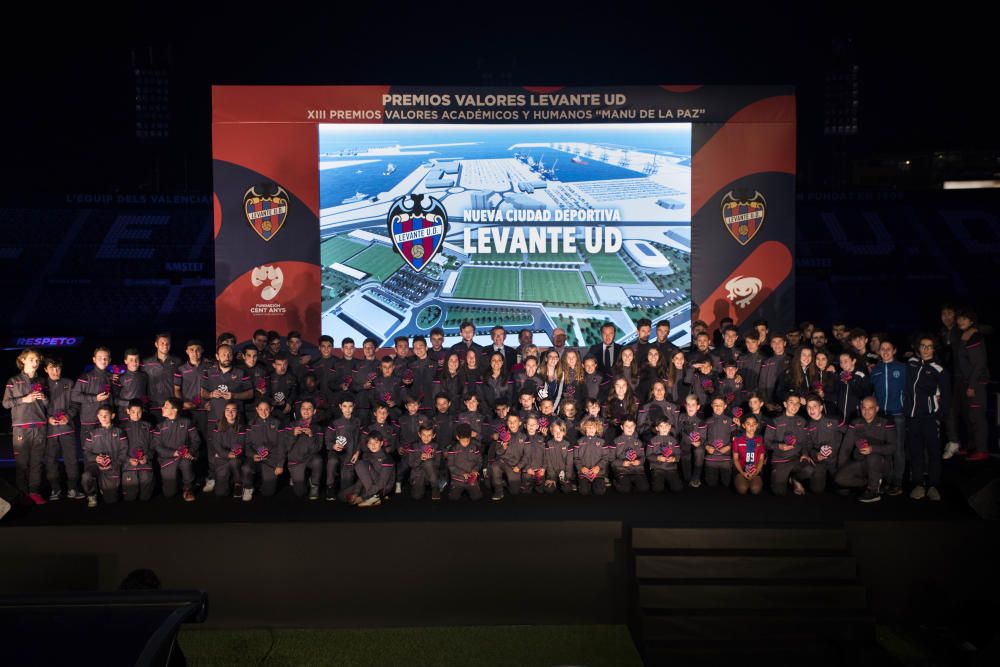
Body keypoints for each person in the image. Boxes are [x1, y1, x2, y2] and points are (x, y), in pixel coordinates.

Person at [4, 348, 50, 504]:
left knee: (37, 462)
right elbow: (5, 403)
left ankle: (34, 492)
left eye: (37, 360)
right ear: (23, 360)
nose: (35, 363)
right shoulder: (13, 381)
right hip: (21, 428)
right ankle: (22, 494)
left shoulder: (42, 381)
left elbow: (47, 404)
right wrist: (24, 399)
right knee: (22, 463)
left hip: (40, 427)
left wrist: (43, 398)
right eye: (32, 359)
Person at [905, 337, 950, 500]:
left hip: (930, 418)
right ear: (918, 347)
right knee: (915, 452)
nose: (925, 349)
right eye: (923, 346)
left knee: (933, 453)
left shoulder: (939, 369)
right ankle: (918, 484)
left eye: (929, 347)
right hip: (913, 417)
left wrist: (939, 416)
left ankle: (933, 486)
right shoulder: (911, 363)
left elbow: (946, 396)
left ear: (934, 350)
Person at [835, 397, 897, 502]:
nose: (866, 411)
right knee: (839, 479)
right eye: (864, 408)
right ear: (860, 408)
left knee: (873, 456)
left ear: (877, 409)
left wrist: (872, 448)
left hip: (881, 464)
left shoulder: (886, 422)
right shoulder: (855, 422)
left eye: (870, 408)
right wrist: (841, 467)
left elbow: (893, 447)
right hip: (862, 463)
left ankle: (873, 491)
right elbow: (846, 447)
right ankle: (874, 482)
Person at [870, 339, 908, 495]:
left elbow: (909, 391)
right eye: (882, 349)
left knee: (898, 449)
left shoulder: (902, 368)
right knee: (885, 449)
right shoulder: (876, 369)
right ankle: (887, 479)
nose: (885, 351)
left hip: (897, 413)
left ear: (894, 351)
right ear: (879, 352)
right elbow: (872, 391)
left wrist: (905, 407)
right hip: (881, 415)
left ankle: (897, 482)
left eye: (888, 349)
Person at [42, 357, 83, 500]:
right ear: (46, 369)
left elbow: (76, 405)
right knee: (50, 460)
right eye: (52, 368)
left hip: (67, 428)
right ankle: (55, 489)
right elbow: (37, 408)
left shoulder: (69, 383)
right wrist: (48, 419)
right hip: (49, 430)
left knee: (71, 460)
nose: (55, 371)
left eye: (58, 368)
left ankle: (73, 488)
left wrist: (68, 416)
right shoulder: (42, 385)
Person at [951, 310, 989, 461]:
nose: (961, 321)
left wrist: (972, 385)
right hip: (967, 381)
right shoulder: (964, 335)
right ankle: (972, 447)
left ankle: (982, 450)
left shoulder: (974, 336)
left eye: (964, 318)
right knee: (970, 417)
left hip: (977, 383)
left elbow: (979, 364)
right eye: (959, 318)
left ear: (971, 321)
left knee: (978, 418)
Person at [765, 393, 811, 496]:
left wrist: (804, 454)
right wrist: (779, 446)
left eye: (797, 403)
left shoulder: (802, 421)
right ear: (785, 404)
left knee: (810, 469)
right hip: (780, 460)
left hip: (795, 458)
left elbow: (804, 442)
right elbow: (766, 443)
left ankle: (794, 478)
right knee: (779, 492)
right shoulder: (775, 421)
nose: (794, 406)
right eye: (791, 402)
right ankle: (783, 477)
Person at [81, 405, 127, 508]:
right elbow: (86, 451)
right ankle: (92, 494)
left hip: (112, 467)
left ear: (113, 416)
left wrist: (114, 464)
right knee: (86, 476)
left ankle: (103, 487)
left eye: (106, 415)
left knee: (111, 500)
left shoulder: (119, 432)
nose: (104, 417)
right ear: (97, 416)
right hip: (95, 466)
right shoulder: (92, 433)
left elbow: (124, 451)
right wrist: (95, 458)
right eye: (101, 415)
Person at [241, 398, 286, 501]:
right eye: (260, 409)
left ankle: (264, 479)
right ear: (256, 409)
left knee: (268, 493)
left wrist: (280, 465)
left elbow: (281, 446)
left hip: (270, 459)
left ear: (271, 409)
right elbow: (247, 445)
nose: (264, 412)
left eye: (266, 409)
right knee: (246, 468)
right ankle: (248, 487)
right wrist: (252, 455)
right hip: (256, 458)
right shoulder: (251, 424)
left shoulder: (278, 423)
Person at [803, 394, 843, 494]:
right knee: (816, 490)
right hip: (820, 461)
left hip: (836, 460)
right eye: (809, 407)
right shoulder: (807, 426)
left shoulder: (834, 420)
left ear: (821, 408)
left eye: (814, 406)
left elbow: (848, 435)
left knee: (843, 489)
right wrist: (816, 455)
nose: (811, 410)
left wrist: (843, 455)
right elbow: (808, 446)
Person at [285, 398, 324, 500]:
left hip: (309, 459)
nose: (306, 411)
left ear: (314, 411)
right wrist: (293, 435)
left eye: (309, 408)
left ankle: (315, 485)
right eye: (303, 408)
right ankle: (299, 476)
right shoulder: (292, 425)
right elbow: (286, 447)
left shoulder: (318, 428)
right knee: (300, 492)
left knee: (318, 460)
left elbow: (317, 449)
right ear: (300, 410)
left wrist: (311, 435)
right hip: (296, 460)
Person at [325, 394, 361, 500]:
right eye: (345, 406)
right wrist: (333, 446)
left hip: (350, 454)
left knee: (345, 493)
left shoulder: (358, 422)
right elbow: (327, 440)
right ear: (340, 406)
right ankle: (330, 486)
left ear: (353, 407)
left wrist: (357, 452)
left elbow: (360, 439)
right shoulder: (334, 423)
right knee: (332, 462)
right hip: (335, 453)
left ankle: (343, 483)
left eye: (350, 406)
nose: (347, 409)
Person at [72, 346, 113, 438]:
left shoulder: (110, 377)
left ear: (109, 360)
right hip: (89, 421)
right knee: (89, 449)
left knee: (106, 449)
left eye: (105, 358)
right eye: (99, 358)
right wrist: (95, 398)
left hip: (105, 421)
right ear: (94, 359)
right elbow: (74, 396)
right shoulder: (86, 377)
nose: (103, 360)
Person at [344, 431, 394, 506]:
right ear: (367, 445)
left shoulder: (387, 458)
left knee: (359, 463)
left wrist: (362, 497)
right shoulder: (368, 456)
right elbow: (363, 476)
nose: (373, 445)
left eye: (376, 442)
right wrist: (356, 493)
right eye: (370, 443)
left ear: (381, 443)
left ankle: (374, 497)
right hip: (370, 485)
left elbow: (382, 483)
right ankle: (369, 495)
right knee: (342, 496)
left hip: (382, 488)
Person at [122, 400, 155, 502]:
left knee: (145, 498)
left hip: (145, 464)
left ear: (142, 411)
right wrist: (128, 459)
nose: (136, 415)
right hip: (129, 466)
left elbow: (154, 445)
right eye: (133, 412)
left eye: (139, 412)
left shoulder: (148, 426)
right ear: (128, 411)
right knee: (129, 498)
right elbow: (118, 449)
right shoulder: (122, 427)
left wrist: (147, 456)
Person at [142, 333, 181, 419]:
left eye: (167, 343)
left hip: (171, 407)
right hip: (153, 406)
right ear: (156, 344)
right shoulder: (146, 363)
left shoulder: (177, 362)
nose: (165, 346)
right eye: (162, 343)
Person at [703, 397, 735, 488]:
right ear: (712, 406)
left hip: (725, 458)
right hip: (711, 458)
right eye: (715, 405)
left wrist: (729, 446)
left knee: (726, 484)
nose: (718, 407)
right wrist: (706, 447)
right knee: (711, 484)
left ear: (725, 406)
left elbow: (735, 438)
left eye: (720, 405)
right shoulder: (707, 421)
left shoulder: (730, 421)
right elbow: (702, 438)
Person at [446, 423, 483, 501]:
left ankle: (474, 487)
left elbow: (479, 461)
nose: (466, 443)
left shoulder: (475, 448)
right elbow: (450, 466)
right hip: (457, 479)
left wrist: (475, 470)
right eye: (463, 440)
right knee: (453, 498)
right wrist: (462, 473)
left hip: (471, 479)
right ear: (457, 437)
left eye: (468, 440)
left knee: (477, 497)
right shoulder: (452, 449)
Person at [612, 417, 648, 493]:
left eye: (632, 426)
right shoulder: (616, 441)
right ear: (622, 427)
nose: (629, 428)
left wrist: (639, 461)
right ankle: (616, 481)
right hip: (622, 470)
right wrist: (622, 463)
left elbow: (643, 457)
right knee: (625, 489)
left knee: (644, 488)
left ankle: (633, 481)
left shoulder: (639, 442)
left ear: (635, 427)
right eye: (627, 426)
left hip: (637, 470)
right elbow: (611, 459)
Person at [732, 414, 766, 495]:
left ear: (757, 425)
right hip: (741, 469)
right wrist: (742, 472)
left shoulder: (760, 439)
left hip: (755, 469)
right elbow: (735, 459)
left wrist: (756, 472)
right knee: (742, 489)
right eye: (748, 424)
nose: (751, 426)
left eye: (754, 424)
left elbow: (761, 459)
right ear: (743, 425)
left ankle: (753, 480)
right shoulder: (737, 439)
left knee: (755, 490)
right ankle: (739, 479)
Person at [574, 417, 609, 495]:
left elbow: (606, 457)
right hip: (584, 472)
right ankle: (584, 483)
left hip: (598, 473)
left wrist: (598, 467)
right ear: (584, 428)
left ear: (597, 428)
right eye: (588, 427)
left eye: (593, 427)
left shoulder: (602, 442)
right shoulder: (579, 442)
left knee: (599, 492)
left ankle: (600, 482)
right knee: (583, 492)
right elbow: (576, 458)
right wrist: (581, 468)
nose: (590, 429)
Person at [647, 417, 683, 493]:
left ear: (670, 427)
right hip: (657, 468)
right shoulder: (652, 441)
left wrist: (674, 458)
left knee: (677, 488)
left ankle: (669, 480)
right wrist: (658, 458)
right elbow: (648, 456)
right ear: (657, 428)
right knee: (658, 489)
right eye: (661, 426)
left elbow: (678, 454)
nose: (664, 428)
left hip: (671, 468)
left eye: (666, 425)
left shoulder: (673, 440)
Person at [408, 423, 442, 500]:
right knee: (416, 496)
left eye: (429, 435)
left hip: (432, 474)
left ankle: (435, 487)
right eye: (424, 435)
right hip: (418, 474)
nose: (426, 438)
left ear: (434, 435)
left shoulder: (436, 446)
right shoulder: (413, 446)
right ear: (419, 434)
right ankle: (421, 485)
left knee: (428, 462)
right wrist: (420, 458)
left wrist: (431, 458)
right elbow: (411, 464)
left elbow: (438, 464)